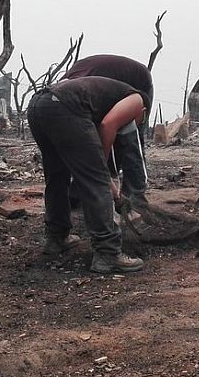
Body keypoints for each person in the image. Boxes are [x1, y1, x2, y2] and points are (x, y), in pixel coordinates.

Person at [27, 76, 148, 273]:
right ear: (142, 113)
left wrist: (113, 189)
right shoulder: (137, 101)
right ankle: (108, 254)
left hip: (38, 105)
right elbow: (108, 125)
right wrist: (102, 171)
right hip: (64, 107)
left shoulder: (106, 94)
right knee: (95, 181)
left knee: (57, 174)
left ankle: (56, 238)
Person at [63, 54, 153, 205]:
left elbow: (107, 126)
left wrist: (101, 169)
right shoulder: (73, 91)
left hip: (138, 83)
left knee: (130, 136)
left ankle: (136, 194)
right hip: (108, 82)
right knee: (101, 138)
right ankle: (80, 192)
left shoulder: (84, 85)